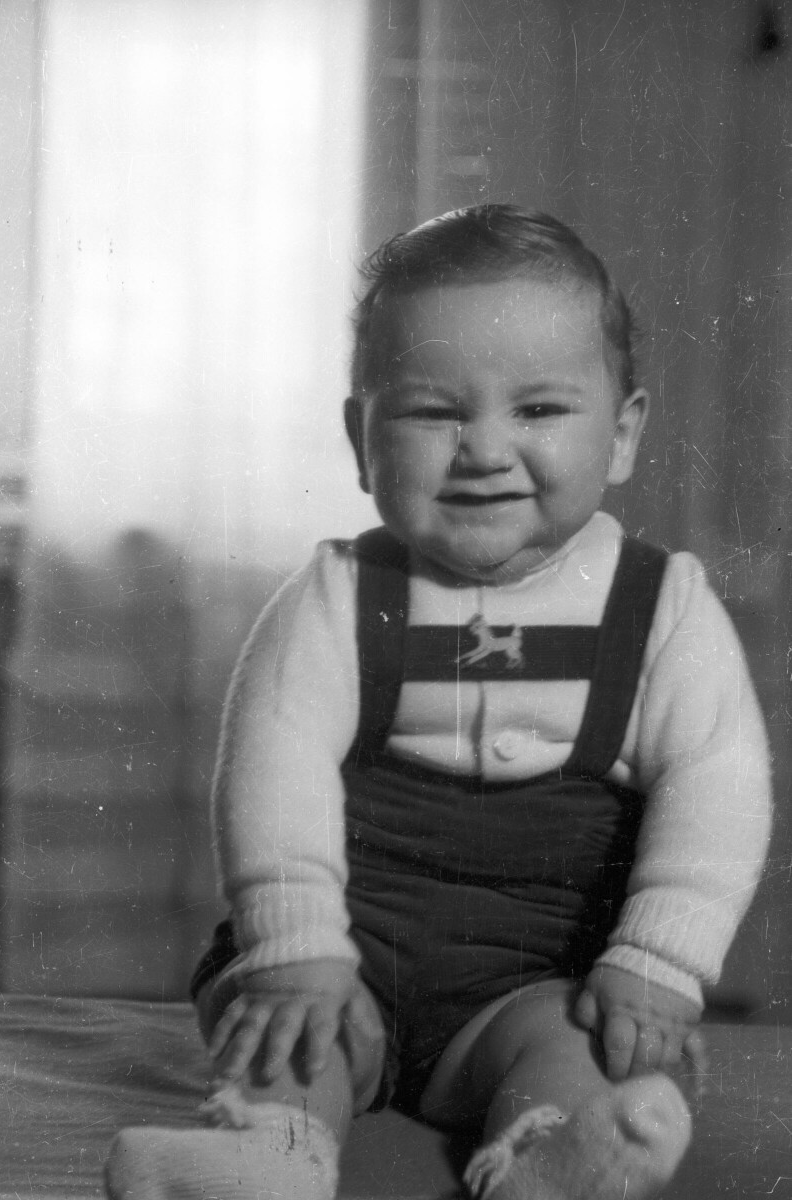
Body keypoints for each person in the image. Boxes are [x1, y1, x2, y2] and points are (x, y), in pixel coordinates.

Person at [106, 206, 772, 1200]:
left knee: (585, 1049)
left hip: (537, 981)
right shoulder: (336, 596)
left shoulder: (661, 607)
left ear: (624, 434)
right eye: (433, 412)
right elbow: (271, 764)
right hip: (341, 967)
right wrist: (296, 946)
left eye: (539, 411)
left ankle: (550, 1157)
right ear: (359, 438)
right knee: (286, 1037)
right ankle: (272, 1156)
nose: (486, 449)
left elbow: (719, 784)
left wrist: (659, 960)